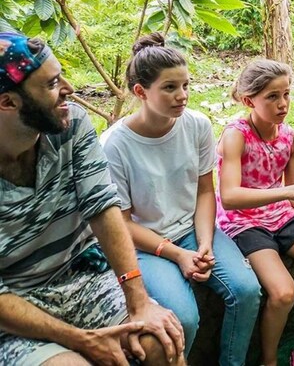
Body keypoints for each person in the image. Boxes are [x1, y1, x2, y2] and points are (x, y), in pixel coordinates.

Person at [0, 32, 185, 365]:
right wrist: (81, 341)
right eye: (53, 83)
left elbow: (102, 205)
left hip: (82, 276)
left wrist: (139, 302)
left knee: (161, 342)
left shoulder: (70, 124)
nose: (69, 89)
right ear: (9, 103)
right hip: (14, 307)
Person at [100, 33, 261, 366]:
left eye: (186, 85)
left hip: (194, 229)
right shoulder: (114, 145)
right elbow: (122, 224)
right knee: (183, 319)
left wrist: (203, 243)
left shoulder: (197, 125)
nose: (182, 96)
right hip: (146, 245)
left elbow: (205, 190)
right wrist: (177, 254)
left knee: (247, 291)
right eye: (170, 88)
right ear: (141, 92)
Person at [217, 60, 294, 366]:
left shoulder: (290, 137)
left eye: (286, 94)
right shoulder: (236, 135)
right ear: (249, 101)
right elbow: (230, 197)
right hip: (244, 222)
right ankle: (269, 361)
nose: (283, 103)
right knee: (283, 292)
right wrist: (289, 194)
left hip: (282, 215)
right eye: (272, 97)